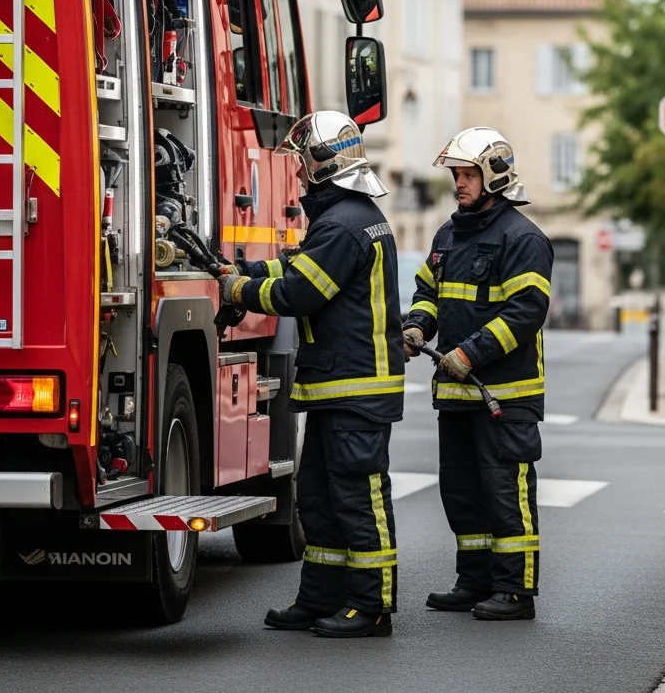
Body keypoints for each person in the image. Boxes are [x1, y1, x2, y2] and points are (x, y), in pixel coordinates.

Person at [219, 110, 403, 638]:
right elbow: (295, 270)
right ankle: (320, 596)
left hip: (355, 388)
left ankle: (371, 606)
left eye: (302, 161)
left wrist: (236, 291)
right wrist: (244, 270)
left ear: (324, 164)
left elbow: (299, 293)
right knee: (320, 497)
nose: (297, 172)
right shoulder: (345, 217)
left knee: (356, 496)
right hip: (339, 387)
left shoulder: (343, 224)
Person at [402, 127, 553, 621]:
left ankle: (515, 591)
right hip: (458, 394)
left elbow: (525, 311)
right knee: (461, 492)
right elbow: (429, 291)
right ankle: (475, 580)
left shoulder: (523, 239)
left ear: (493, 177)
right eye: (456, 175)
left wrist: (469, 354)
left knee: (505, 493)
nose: (459, 184)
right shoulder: (448, 234)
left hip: (504, 396)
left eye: (468, 175)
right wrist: (417, 326)